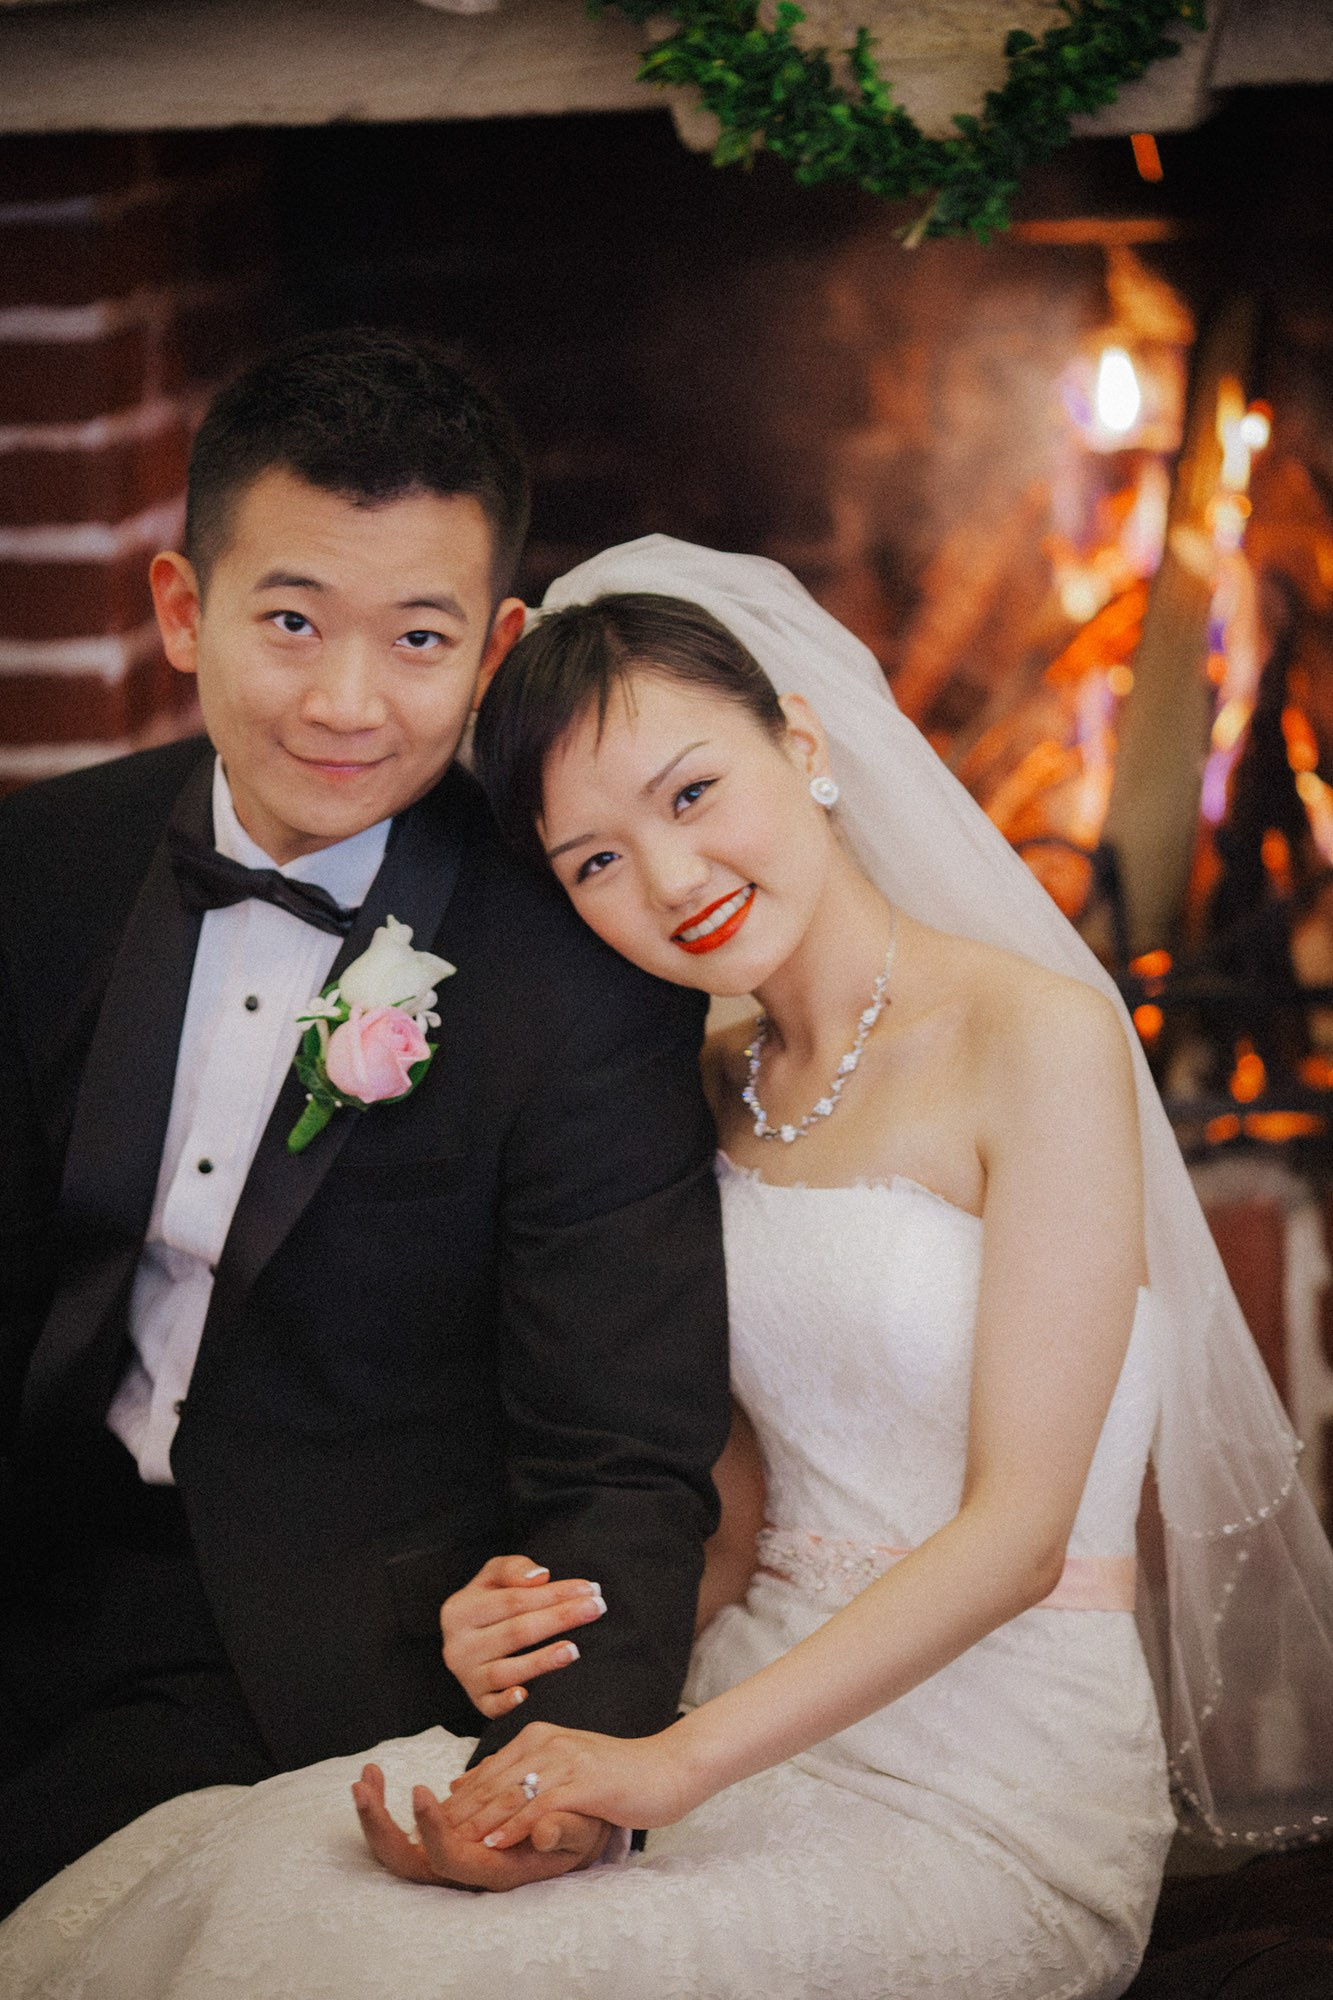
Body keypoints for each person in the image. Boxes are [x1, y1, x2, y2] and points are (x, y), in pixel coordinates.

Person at [4, 539, 1332, 2000]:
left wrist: (671, 1767)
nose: (671, 879)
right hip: (732, 1702)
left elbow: (1020, 1538)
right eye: (594, 861)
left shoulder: (1039, 1042)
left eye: (691, 794)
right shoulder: (698, 1086)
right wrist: (513, 1637)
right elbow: (728, 1511)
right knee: (267, 1893)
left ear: (801, 741)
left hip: (986, 1773)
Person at [0, 351, 730, 1919]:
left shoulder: (576, 976)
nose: (346, 702)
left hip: (303, 1636)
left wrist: (550, 1779)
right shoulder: (43, 863)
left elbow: (622, 1454)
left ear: (494, 652)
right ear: (182, 609)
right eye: (290, 623)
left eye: (416, 639)